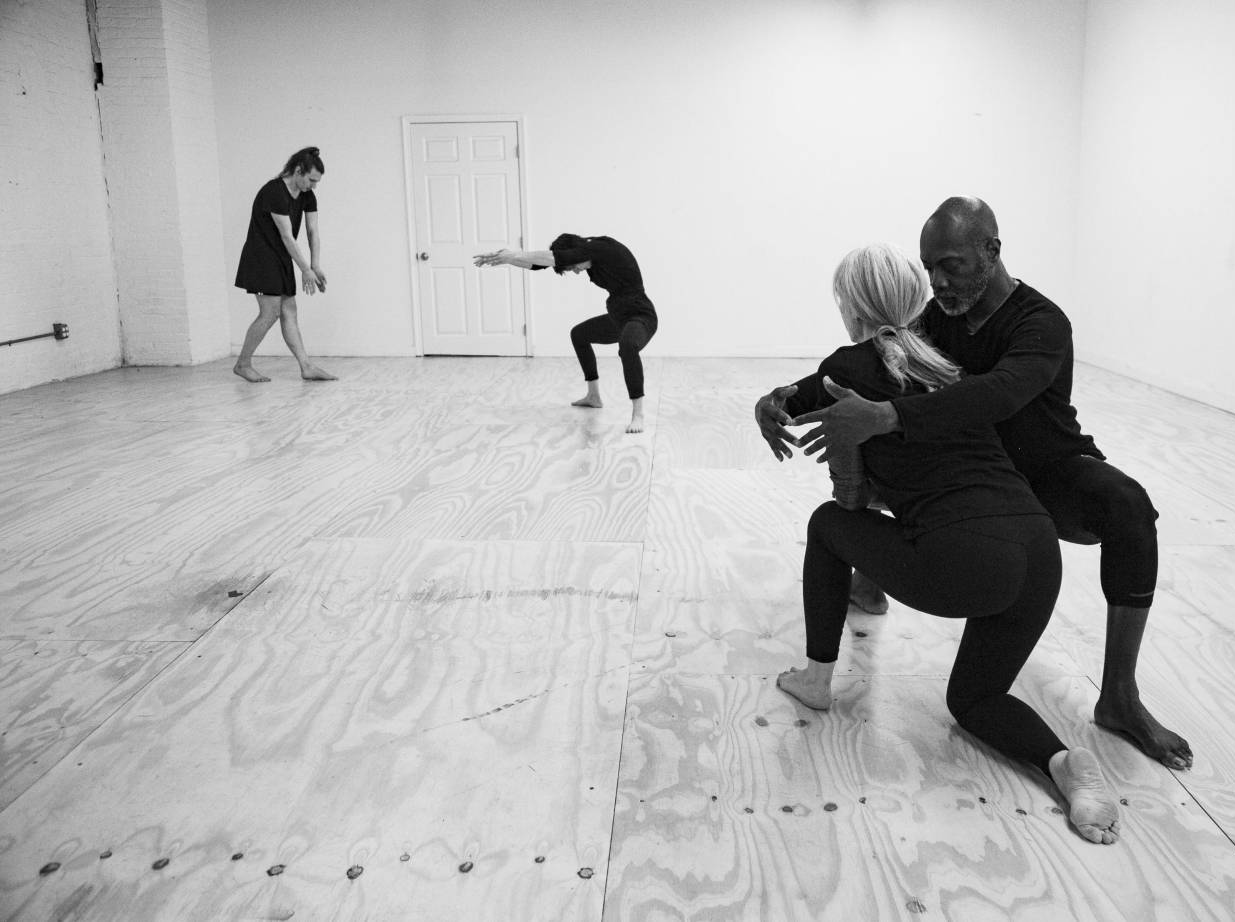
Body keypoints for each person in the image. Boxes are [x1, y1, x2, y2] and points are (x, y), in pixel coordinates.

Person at [758, 197, 1192, 771]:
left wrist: (889, 418)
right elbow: (873, 360)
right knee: (909, 465)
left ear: (992, 251)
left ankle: (1120, 696)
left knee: (1129, 505)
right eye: (928, 267)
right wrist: (781, 397)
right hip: (977, 480)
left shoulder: (1041, 321)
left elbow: (1001, 392)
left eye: (951, 265)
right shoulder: (935, 319)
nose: (937, 280)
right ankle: (868, 577)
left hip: (1047, 469)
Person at [773, 243, 1120, 845]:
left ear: (849, 306)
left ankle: (815, 677)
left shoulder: (847, 364)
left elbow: (790, 400)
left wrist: (767, 406)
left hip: (960, 560)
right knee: (976, 698)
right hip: (1038, 551)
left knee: (827, 524)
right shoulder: (945, 361)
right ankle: (1065, 764)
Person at [474, 234, 658, 433]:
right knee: (579, 334)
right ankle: (593, 396)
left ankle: (638, 414)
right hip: (618, 317)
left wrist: (514, 254)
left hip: (641, 316)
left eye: (572, 267)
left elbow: (554, 257)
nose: (576, 272)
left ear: (574, 252)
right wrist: (508, 259)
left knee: (628, 345)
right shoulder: (588, 253)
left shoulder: (599, 248)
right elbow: (539, 264)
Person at [232, 147, 335, 383]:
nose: (314, 186)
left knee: (289, 311)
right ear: (298, 170)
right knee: (270, 313)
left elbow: (312, 231)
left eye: (317, 182)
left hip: (281, 257)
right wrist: (305, 270)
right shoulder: (274, 192)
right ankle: (242, 364)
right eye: (311, 180)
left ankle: (306, 367)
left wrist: (315, 265)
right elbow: (287, 236)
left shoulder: (307, 195)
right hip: (261, 258)